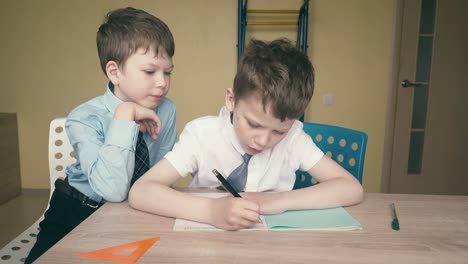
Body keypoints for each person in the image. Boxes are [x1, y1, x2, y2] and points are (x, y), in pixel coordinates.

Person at [128, 38, 363, 231]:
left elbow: (351, 188)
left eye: (279, 131)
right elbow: (141, 191)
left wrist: (277, 201)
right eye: (253, 124)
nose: (263, 140)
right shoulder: (201, 135)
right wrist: (211, 212)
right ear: (231, 100)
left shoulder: (294, 139)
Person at [26, 7, 176, 263]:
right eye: (150, 72)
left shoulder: (166, 109)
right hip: (76, 210)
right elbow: (112, 189)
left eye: (168, 72)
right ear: (114, 72)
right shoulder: (83, 117)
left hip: (133, 209)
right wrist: (124, 115)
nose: (162, 82)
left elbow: (162, 175)